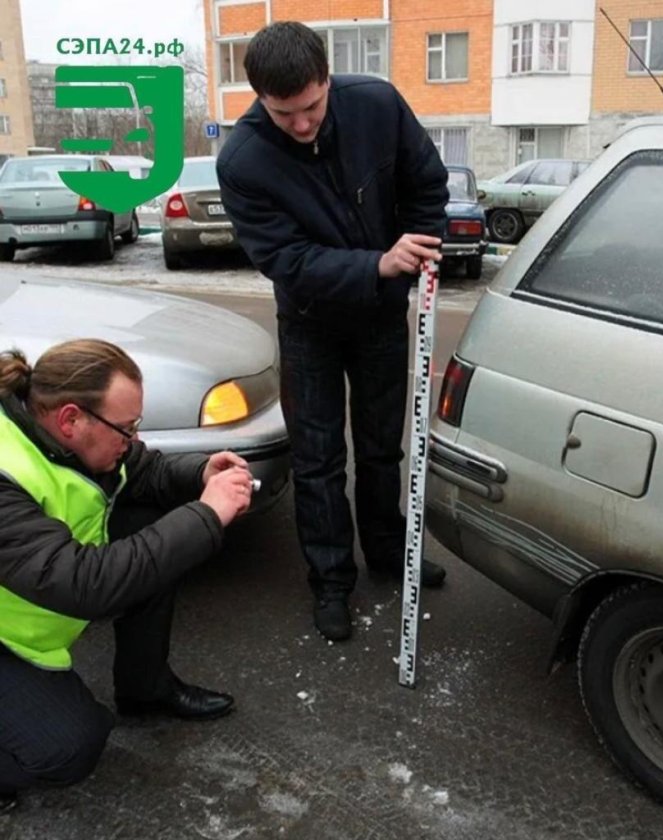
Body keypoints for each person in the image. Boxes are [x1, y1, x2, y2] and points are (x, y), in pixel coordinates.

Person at [217, 21, 450, 642]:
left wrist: (418, 250)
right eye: (283, 112)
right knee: (319, 460)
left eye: (312, 106)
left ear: (328, 76)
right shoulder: (242, 159)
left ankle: (388, 554)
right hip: (309, 324)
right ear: (259, 97)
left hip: (380, 319)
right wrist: (377, 263)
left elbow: (427, 184)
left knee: (381, 448)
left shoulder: (375, 103)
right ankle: (330, 582)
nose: (300, 124)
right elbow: (284, 260)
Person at [0, 339, 254, 815]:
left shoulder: (58, 429)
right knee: (69, 747)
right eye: (126, 427)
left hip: (34, 599)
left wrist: (202, 472)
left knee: (149, 531)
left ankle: (145, 689)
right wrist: (206, 514)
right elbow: (82, 584)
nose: (133, 439)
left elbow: (144, 469)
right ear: (71, 419)